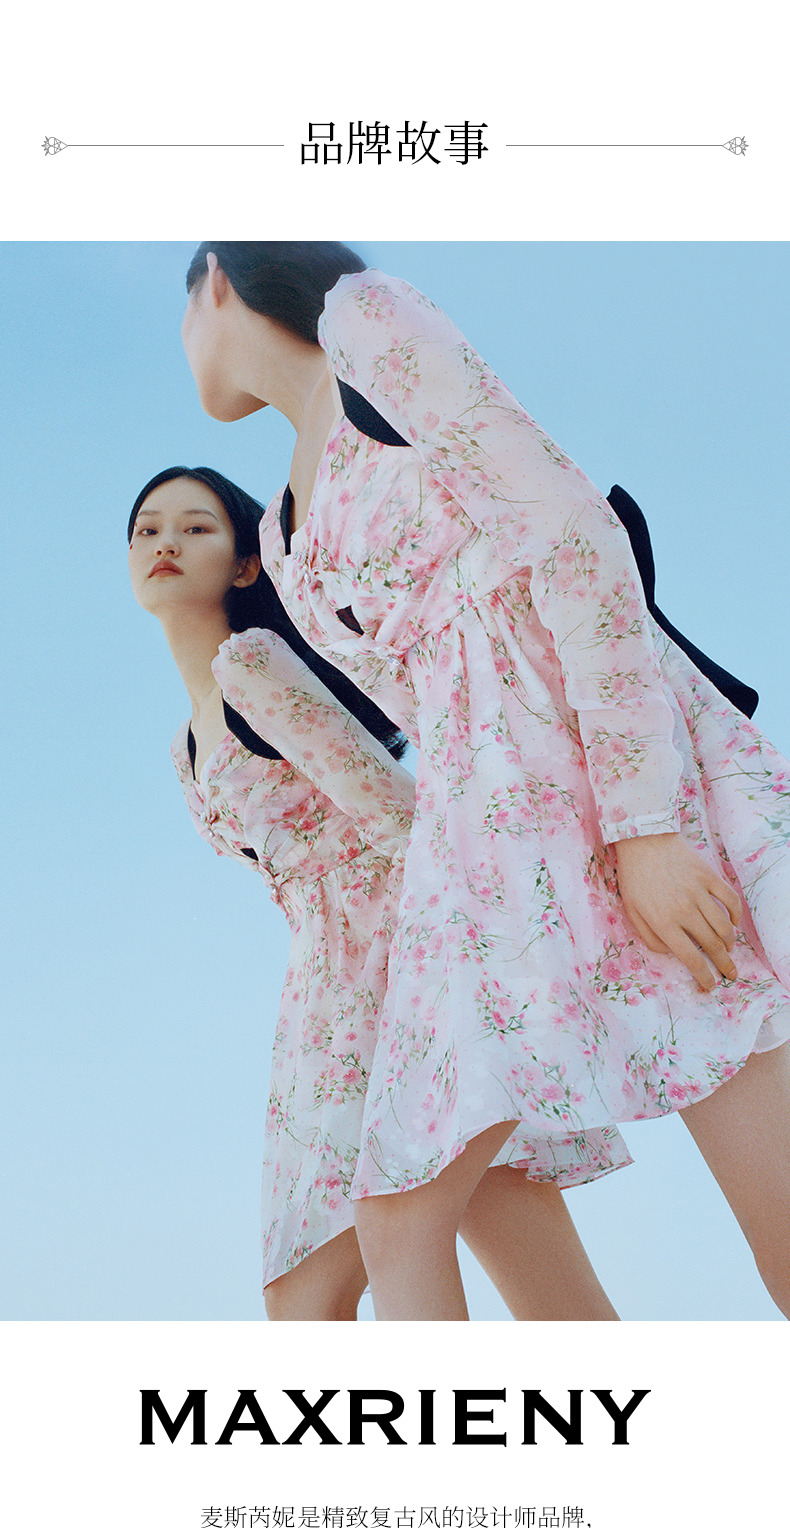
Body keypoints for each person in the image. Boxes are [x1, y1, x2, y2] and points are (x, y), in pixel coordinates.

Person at [179, 244, 790, 1321]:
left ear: (217, 279)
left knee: (778, 1220)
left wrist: (646, 825)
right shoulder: (278, 532)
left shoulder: (368, 325)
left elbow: (574, 532)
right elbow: (428, 711)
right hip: (483, 847)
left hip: (616, 780)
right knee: (400, 1206)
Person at [129, 464, 625, 1320]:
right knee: (548, 1291)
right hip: (325, 984)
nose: (164, 542)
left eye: (195, 527)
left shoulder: (251, 667)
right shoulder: (184, 746)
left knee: (308, 1290)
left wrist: (483, 968)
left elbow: (402, 818)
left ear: (247, 564)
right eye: (146, 530)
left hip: (397, 970)